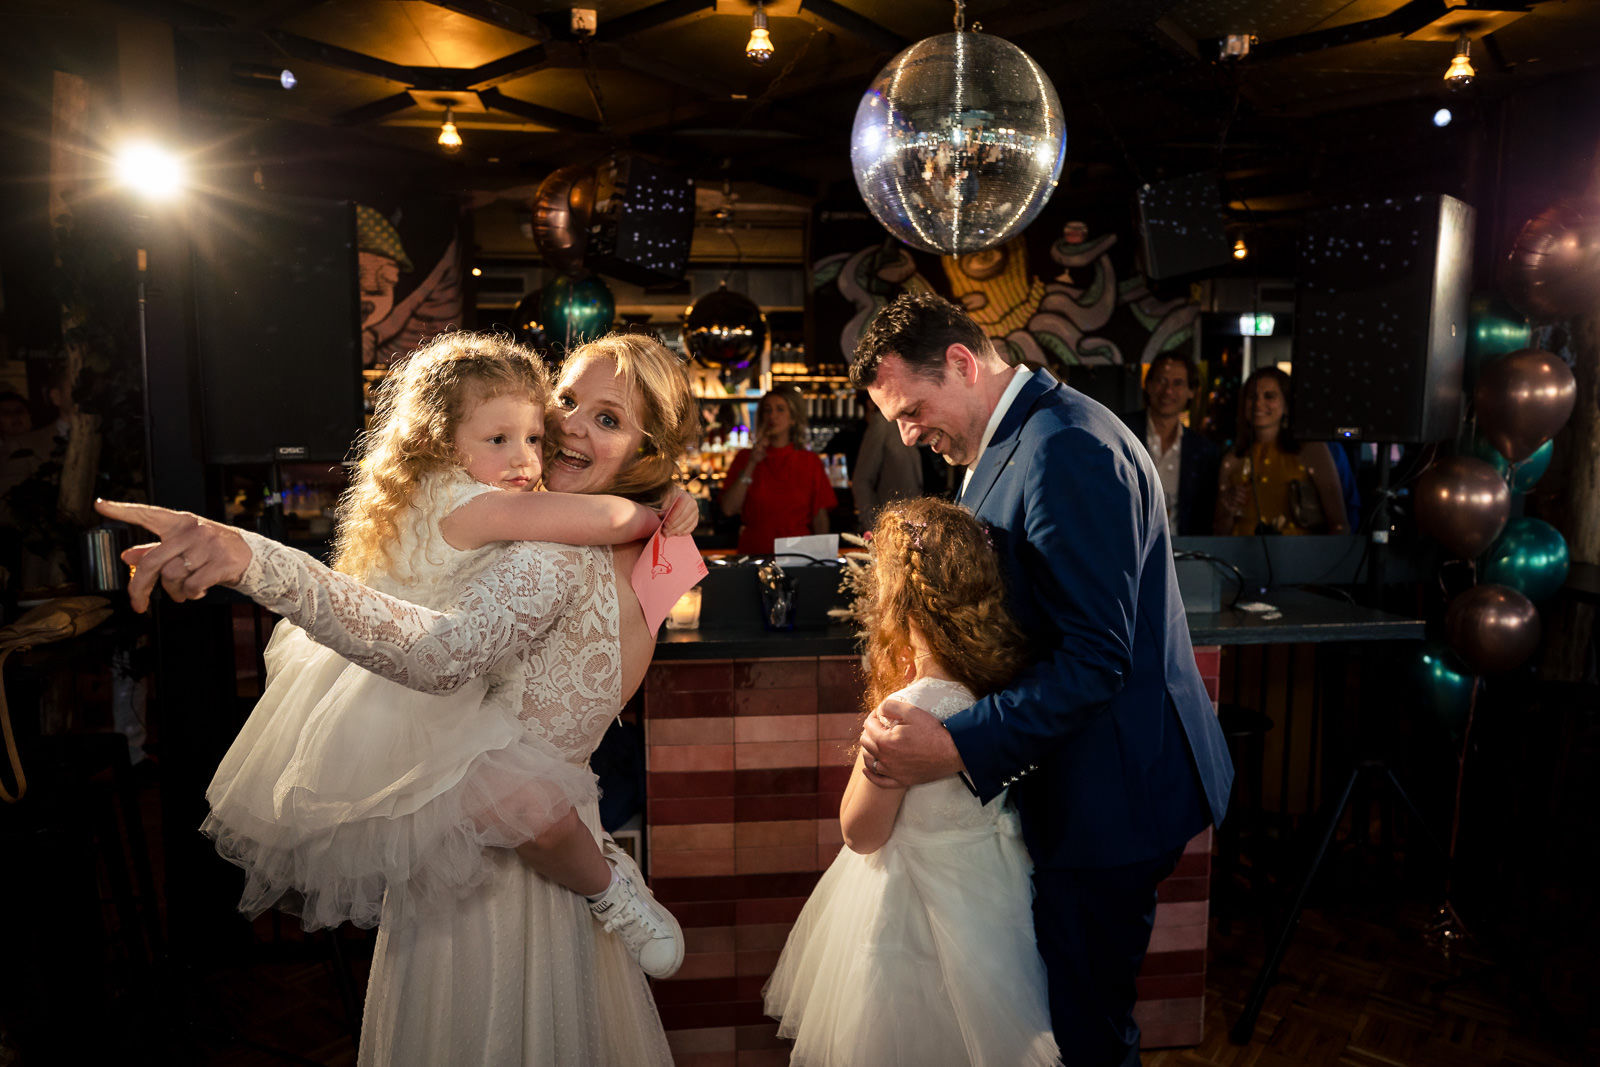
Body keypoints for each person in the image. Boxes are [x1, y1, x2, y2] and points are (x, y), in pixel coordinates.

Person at [98, 330, 701, 1066]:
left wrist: (255, 559)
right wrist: (665, 504)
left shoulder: (553, 551)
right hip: (538, 853)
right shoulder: (650, 549)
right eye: (567, 399)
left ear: (647, 449)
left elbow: (439, 655)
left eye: (607, 420)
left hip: (499, 881)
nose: (571, 423)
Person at [848, 293, 1233, 1066]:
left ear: (962, 361)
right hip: (1079, 781)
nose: (910, 432)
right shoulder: (1014, 436)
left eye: (914, 409)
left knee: (1087, 1033)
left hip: (1109, 798)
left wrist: (955, 746)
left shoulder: (1064, 447)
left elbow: (1095, 657)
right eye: (896, 422)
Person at [763, 496, 1058, 1067]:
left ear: (896, 600)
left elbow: (861, 831)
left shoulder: (906, 712)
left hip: (911, 911)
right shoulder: (1000, 692)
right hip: (992, 896)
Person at [1215, 366, 1348, 536]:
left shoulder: (1311, 450)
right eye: (1252, 396)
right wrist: (1228, 511)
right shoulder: (1232, 459)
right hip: (1239, 558)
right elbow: (1219, 533)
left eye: (1269, 396)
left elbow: (1339, 526)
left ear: (1287, 405)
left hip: (1298, 557)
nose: (1258, 403)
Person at [719, 386, 836, 554]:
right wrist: (752, 463)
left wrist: (823, 559)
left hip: (798, 555)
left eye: (780, 409)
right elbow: (728, 508)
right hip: (755, 553)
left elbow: (820, 517)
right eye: (767, 410)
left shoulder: (809, 462)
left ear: (793, 418)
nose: (772, 416)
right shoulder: (745, 458)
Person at [1120, 352, 1219, 537]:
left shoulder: (1204, 451)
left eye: (1178, 383)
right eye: (1161, 381)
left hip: (1181, 554)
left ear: (1191, 391)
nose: (1168, 391)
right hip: (1124, 548)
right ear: (1147, 385)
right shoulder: (1120, 431)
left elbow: (1204, 519)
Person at [850, 400, 924, 531]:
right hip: (899, 528)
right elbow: (861, 480)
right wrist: (876, 527)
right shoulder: (884, 423)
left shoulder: (936, 419)